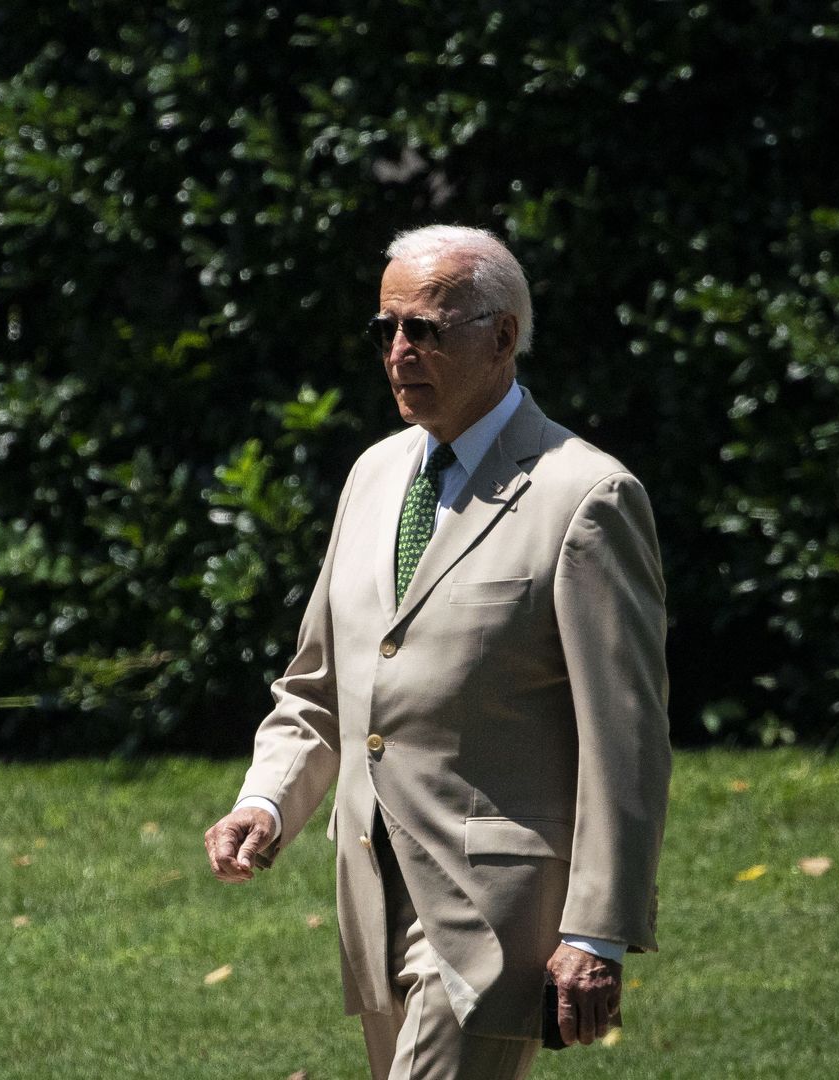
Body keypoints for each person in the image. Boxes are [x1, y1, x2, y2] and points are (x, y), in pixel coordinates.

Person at [202, 225, 671, 1080]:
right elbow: (321, 685)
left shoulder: (587, 496)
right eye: (387, 330)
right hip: (371, 897)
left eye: (426, 329)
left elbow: (626, 738)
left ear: (501, 337)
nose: (400, 351)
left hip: (495, 913)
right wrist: (265, 803)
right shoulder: (375, 475)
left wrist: (596, 928)